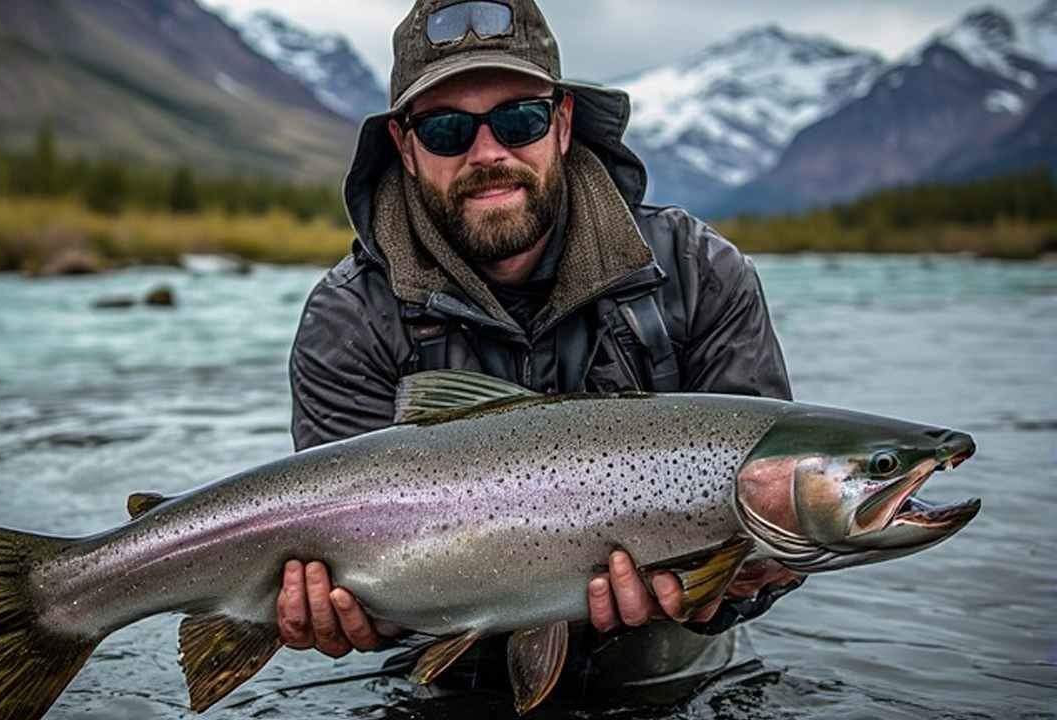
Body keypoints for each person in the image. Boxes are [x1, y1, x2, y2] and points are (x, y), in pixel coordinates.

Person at [281, 0, 801, 697]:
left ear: (561, 125)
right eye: (446, 130)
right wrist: (350, 617)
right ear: (406, 149)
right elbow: (340, 566)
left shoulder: (699, 272)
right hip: (448, 670)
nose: (488, 153)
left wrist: (729, 588)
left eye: (520, 118)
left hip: (672, 668)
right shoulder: (349, 317)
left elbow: (770, 523)